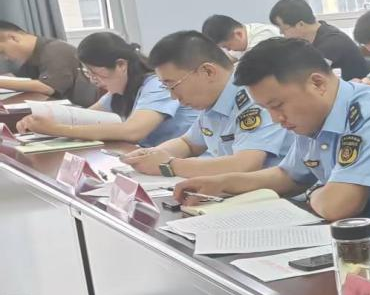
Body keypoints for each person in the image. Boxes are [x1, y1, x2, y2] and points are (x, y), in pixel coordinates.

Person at [172, 38, 370, 232]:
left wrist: (314, 192)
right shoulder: (312, 116)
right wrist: (222, 184)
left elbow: (339, 205)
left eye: (278, 105)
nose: (275, 118)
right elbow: (289, 176)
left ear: (317, 83)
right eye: (266, 109)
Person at [120, 31, 290, 178]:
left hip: (280, 197)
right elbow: (188, 144)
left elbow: (245, 165)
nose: (173, 96)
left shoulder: (253, 96)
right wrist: (151, 155)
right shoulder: (212, 101)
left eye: (173, 85)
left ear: (208, 72)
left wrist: (169, 165)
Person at [16, 33, 196, 146]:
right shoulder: (118, 92)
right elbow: (82, 118)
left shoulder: (158, 86)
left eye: (95, 73)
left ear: (121, 65)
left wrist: (57, 129)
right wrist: (41, 119)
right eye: (87, 73)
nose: (93, 80)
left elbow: (133, 131)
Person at [268, 0, 370, 80]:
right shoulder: (312, 37)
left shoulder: (333, 42)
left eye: (283, 28)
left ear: (300, 24)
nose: (281, 33)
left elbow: (305, 76)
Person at [0, 21, 97, 106]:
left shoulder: (56, 49)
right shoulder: (32, 56)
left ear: (13, 38)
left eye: (2, 52)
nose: (5, 58)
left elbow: (47, 87)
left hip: (82, 110)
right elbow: (19, 80)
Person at [201, 15, 280, 59]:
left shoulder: (265, 34)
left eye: (227, 46)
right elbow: (228, 59)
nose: (228, 50)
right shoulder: (238, 39)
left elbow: (250, 65)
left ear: (238, 34)